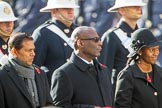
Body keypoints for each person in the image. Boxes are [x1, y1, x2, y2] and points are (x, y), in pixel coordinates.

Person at [50, 26, 114, 108]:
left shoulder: (103, 70)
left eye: (99, 39)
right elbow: (60, 106)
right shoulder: (63, 73)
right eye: (95, 40)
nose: (100, 43)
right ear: (80, 43)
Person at [98, 0, 146, 91]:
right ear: (121, 11)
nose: (139, 8)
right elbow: (104, 71)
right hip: (121, 92)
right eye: (133, 6)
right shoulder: (111, 36)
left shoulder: (142, 34)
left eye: (139, 6)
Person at [32, 0, 79, 85]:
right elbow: (34, 67)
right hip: (55, 87)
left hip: (78, 86)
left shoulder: (79, 31)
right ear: (53, 12)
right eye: (65, 8)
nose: (70, 11)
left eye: (72, 8)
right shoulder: (43, 33)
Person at [0, 33, 53, 108]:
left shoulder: (40, 73)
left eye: (33, 50)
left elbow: (48, 103)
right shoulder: (2, 76)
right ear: (14, 52)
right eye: (29, 50)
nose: (33, 54)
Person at [115, 28, 162, 108]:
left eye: (157, 49)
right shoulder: (127, 75)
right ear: (140, 51)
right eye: (152, 50)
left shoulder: (159, 72)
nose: (156, 53)